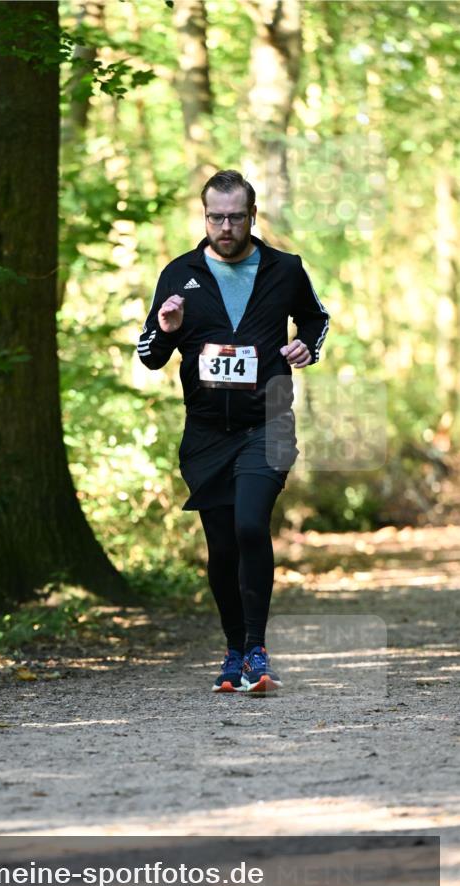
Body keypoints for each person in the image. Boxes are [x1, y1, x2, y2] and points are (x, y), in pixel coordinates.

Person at [137, 169, 329, 695]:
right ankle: (233, 651)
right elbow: (151, 354)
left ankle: (257, 647)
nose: (225, 226)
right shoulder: (180, 274)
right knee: (221, 547)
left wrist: (305, 347)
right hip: (206, 433)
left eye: (235, 216)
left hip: (267, 422)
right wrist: (168, 327)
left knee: (250, 525)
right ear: (204, 217)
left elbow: (316, 319)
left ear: (252, 216)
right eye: (215, 216)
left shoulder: (284, 269)